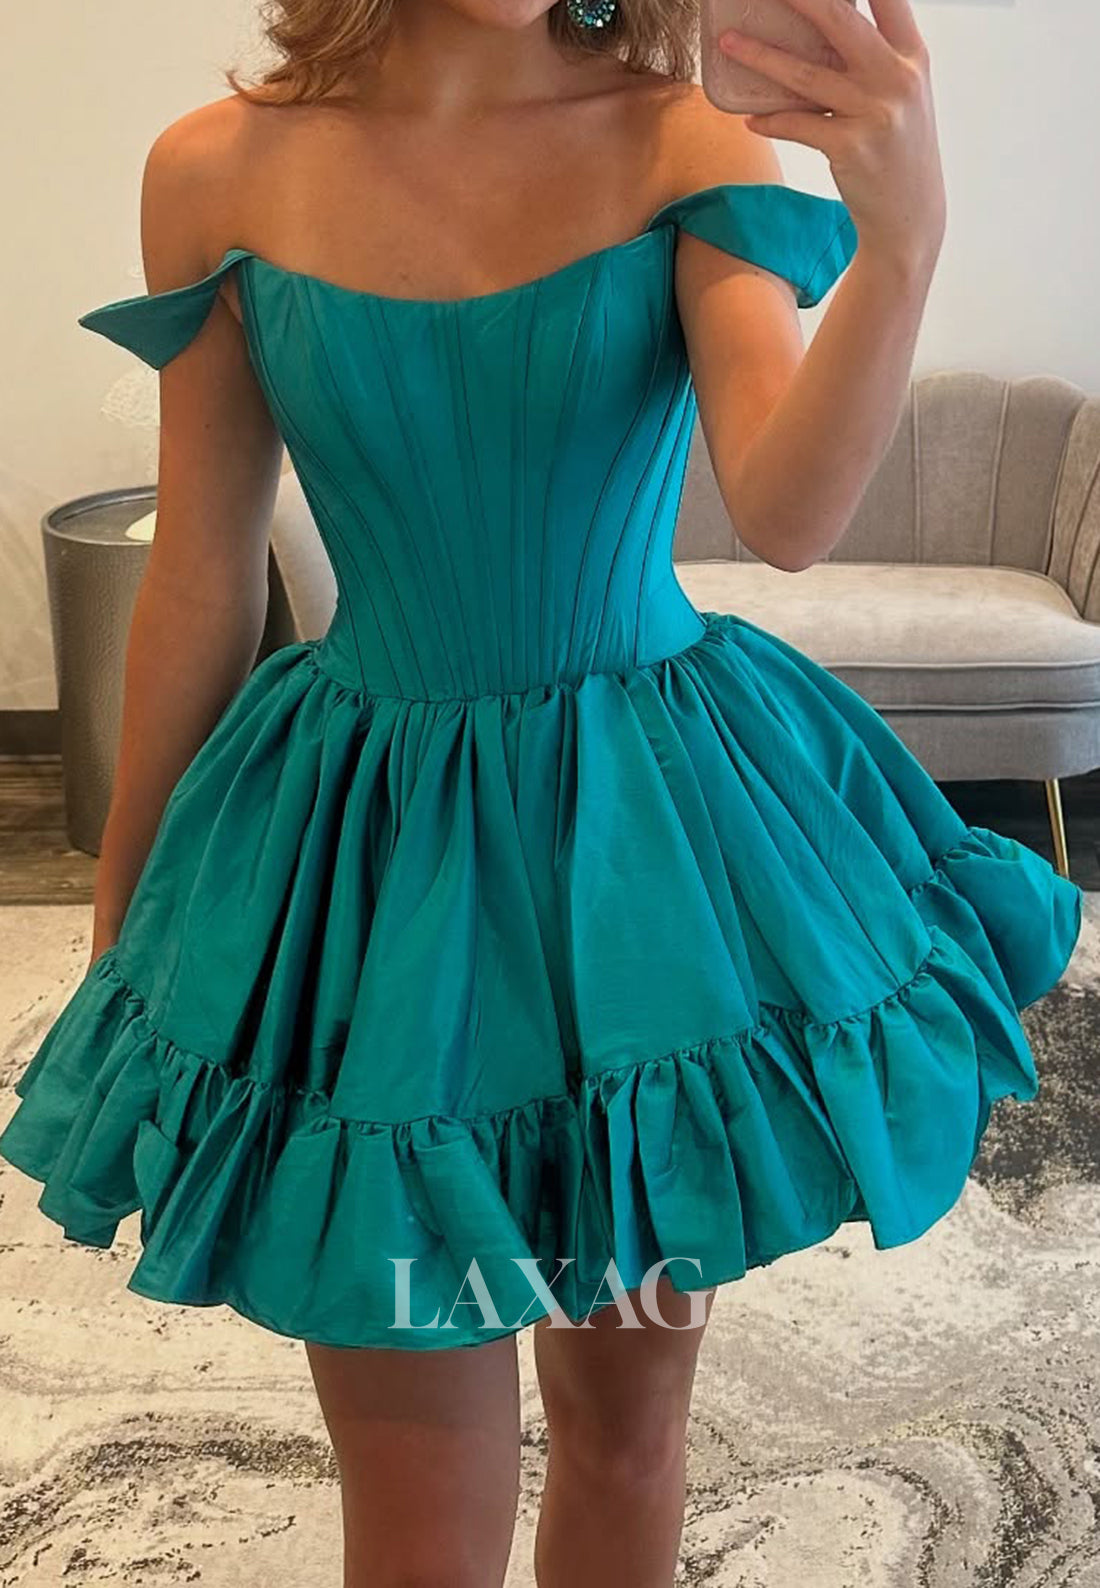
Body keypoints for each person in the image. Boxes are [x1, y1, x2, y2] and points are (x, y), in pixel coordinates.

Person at [1, 0, 1083, 1583]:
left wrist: (903, 242)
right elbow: (202, 576)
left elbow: (787, 513)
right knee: (418, 1519)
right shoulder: (217, 171)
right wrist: (127, 917)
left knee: (625, 1434)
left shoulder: (688, 144)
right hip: (371, 882)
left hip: (638, 886)